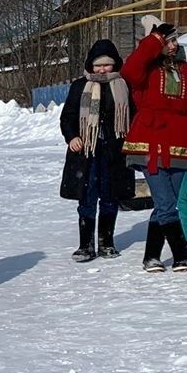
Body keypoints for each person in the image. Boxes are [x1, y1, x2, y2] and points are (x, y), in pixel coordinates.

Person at [121, 16, 187, 272]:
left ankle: (151, 256)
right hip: (150, 143)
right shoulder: (145, 71)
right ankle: (181, 253)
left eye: (174, 40)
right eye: (167, 41)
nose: (172, 46)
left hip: (181, 146)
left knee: (166, 204)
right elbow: (129, 70)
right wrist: (155, 39)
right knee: (165, 202)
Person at [59, 39, 134, 261]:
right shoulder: (80, 86)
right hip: (86, 152)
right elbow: (67, 117)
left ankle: (106, 243)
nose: (102, 69)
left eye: (107, 65)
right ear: (90, 65)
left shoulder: (122, 86)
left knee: (110, 196)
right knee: (87, 196)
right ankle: (86, 245)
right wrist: (72, 136)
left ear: (115, 65)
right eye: (98, 65)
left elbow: (134, 116)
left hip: (114, 150)